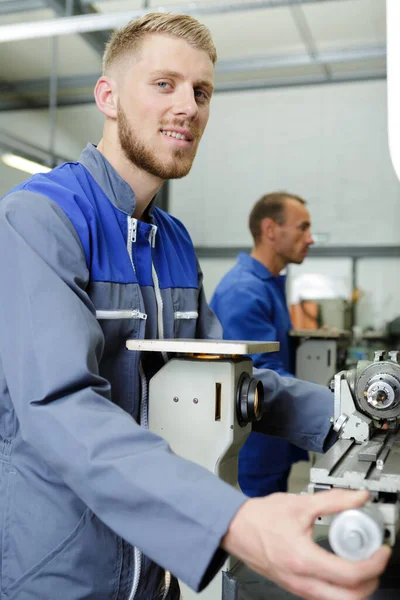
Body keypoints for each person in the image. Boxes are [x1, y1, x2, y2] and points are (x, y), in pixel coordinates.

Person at [0, 12, 390, 600]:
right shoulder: (38, 219)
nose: (189, 106)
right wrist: (230, 520)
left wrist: (353, 419)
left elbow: (228, 381)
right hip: (59, 564)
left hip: (155, 566)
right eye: (164, 84)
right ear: (108, 96)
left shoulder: (173, 241)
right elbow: (60, 406)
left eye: (201, 91)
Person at [210, 192, 314, 497]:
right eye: (302, 228)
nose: (310, 239)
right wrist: (335, 407)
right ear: (270, 230)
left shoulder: (267, 286)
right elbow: (258, 374)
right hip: (252, 451)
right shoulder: (244, 291)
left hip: (271, 446)